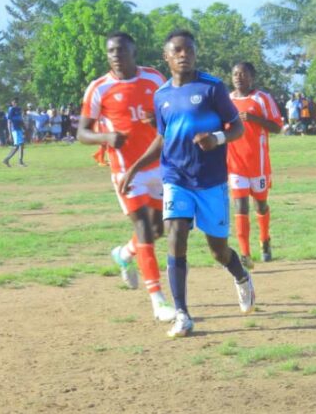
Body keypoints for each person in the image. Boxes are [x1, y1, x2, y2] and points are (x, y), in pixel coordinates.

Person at [119, 29, 255, 338]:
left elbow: (237, 128)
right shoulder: (162, 95)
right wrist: (135, 168)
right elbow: (163, 137)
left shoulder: (211, 88)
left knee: (218, 251)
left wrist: (216, 138)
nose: (184, 55)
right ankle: (182, 314)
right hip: (176, 177)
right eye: (177, 51)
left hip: (211, 180)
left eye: (189, 50)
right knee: (175, 234)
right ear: (166, 57)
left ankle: (241, 276)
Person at [78, 31, 176, 323]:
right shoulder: (98, 88)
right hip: (125, 172)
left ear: (134, 52)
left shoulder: (154, 79)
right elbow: (82, 132)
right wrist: (106, 137)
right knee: (144, 227)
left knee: (158, 229)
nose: (115, 56)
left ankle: (124, 254)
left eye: (121, 50)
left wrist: (157, 119)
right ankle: (158, 301)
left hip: (159, 165)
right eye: (111, 51)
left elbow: (171, 112)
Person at [227, 62, 284, 269]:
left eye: (243, 74)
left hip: (258, 165)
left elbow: (277, 127)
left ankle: (265, 239)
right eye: (235, 74)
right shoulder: (227, 100)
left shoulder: (262, 98)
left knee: (260, 205)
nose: (238, 77)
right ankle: (245, 254)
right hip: (235, 164)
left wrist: (254, 119)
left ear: (251, 77)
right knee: (240, 207)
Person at [3, 98, 27, 167]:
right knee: (19, 145)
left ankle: (7, 159)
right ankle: (20, 162)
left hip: (19, 129)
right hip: (14, 129)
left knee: (19, 146)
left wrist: (24, 126)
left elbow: (20, 119)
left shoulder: (19, 109)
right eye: (14, 102)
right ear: (12, 103)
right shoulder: (11, 109)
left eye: (17, 102)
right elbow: (9, 122)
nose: (16, 103)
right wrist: (10, 133)